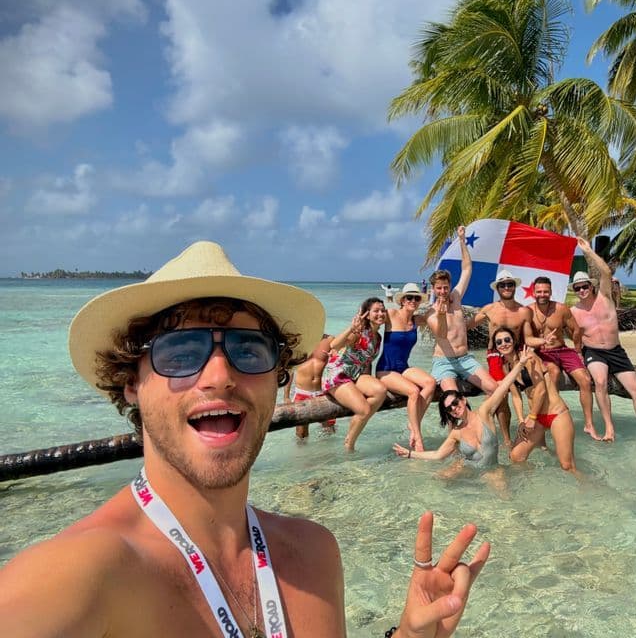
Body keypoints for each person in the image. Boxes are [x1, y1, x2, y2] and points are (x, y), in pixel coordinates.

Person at [0, 241, 489, 637]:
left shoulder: (314, 555)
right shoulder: (83, 576)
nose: (219, 375)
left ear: (276, 373)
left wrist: (408, 635)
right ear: (131, 379)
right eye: (182, 348)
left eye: (248, 348)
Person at [570, 237, 636, 445]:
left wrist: (588, 251)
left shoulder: (605, 298)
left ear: (591, 286)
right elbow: (575, 335)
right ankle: (609, 427)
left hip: (616, 351)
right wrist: (579, 354)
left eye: (584, 287)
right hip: (594, 352)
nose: (581, 291)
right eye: (577, 288)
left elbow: (606, 273)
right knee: (599, 382)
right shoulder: (574, 312)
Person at [393, 346, 537, 471]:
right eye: (449, 409)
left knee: (501, 494)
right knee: (441, 479)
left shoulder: (484, 413)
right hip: (471, 469)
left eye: (455, 403)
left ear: (463, 399)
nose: (454, 408)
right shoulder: (456, 433)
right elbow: (438, 455)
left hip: (492, 471)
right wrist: (410, 454)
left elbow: (503, 387)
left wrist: (520, 364)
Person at [487, 328, 578, 472]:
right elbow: (516, 396)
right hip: (536, 418)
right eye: (499, 342)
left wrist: (532, 417)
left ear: (513, 341)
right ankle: (533, 486)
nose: (503, 344)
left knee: (567, 465)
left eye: (507, 340)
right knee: (516, 457)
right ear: (496, 346)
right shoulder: (506, 366)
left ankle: (589, 488)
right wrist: (521, 420)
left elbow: (541, 390)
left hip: (556, 414)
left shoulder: (529, 357)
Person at [424, 226, 498, 397]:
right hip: (444, 362)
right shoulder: (431, 313)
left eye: (445, 287)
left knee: (494, 389)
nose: (443, 291)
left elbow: (467, 269)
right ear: (433, 289)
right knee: (453, 399)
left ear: (450, 286)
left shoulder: (456, 297)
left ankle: (483, 421)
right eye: (439, 288)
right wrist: (442, 315)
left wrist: (462, 241)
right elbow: (441, 334)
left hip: (466, 359)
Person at [524, 275, 599, 441]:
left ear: (551, 292)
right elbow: (526, 337)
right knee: (554, 373)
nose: (542, 294)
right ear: (533, 292)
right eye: (539, 291)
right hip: (542, 352)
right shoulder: (528, 311)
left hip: (562, 350)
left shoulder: (561, 309)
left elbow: (576, 330)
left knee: (585, 380)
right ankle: (553, 416)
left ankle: (589, 424)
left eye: (546, 291)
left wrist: (578, 351)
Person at [467, 269, 534, 446]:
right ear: (497, 288)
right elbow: (465, 327)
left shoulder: (524, 311)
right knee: (500, 394)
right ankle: (506, 439)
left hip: (517, 353)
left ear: (514, 287)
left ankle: (533, 430)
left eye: (509, 284)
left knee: (532, 391)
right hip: (496, 355)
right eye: (503, 285)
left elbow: (528, 338)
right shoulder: (489, 309)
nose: (506, 287)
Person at [376, 282, 440, 451]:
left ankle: (413, 425)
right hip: (385, 370)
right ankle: (417, 437)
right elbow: (372, 321)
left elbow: (435, 314)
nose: (413, 300)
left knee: (430, 383)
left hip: (404, 367)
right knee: (413, 391)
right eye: (409, 297)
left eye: (416, 298)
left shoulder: (416, 320)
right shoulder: (390, 314)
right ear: (402, 300)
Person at [322, 297, 388, 451]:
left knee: (380, 390)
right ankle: (349, 444)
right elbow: (335, 345)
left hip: (356, 375)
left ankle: (358, 419)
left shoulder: (377, 338)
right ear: (367, 314)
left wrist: (369, 382)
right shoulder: (359, 332)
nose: (380, 313)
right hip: (338, 374)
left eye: (383, 310)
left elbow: (367, 362)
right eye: (376, 311)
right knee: (364, 409)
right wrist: (351, 328)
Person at [284, 334, 336, 439]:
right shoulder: (297, 341)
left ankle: (328, 455)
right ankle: (301, 455)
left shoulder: (330, 340)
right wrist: (286, 396)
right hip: (301, 393)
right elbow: (290, 370)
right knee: (301, 435)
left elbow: (341, 363)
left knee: (329, 431)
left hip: (322, 393)